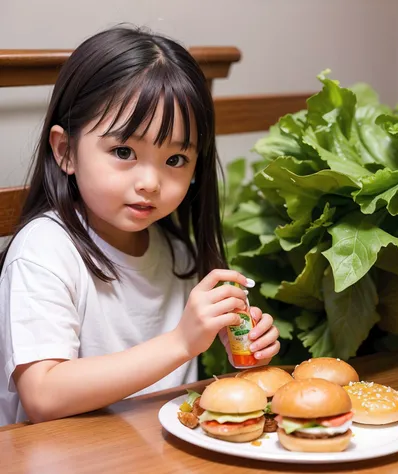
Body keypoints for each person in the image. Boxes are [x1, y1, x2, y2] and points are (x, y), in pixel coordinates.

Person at [0, 26, 280, 426]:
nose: (150, 182)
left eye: (175, 160)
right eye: (124, 151)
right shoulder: (44, 250)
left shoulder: (177, 254)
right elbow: (43, 395)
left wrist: (245, 350)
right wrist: (181, 342)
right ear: (66, 151)